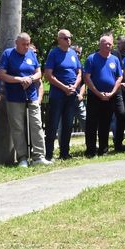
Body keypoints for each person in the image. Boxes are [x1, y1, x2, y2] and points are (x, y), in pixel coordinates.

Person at [0, 32, 51, 166]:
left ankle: (38, 157)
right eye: (24, 44)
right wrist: (19, 79)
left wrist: (31, 79)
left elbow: (39, 73)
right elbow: (1, 74)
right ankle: (22, 158)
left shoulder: (31, 54)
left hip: (31, 95)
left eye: (28, 44)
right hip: (14, 97)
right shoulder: (8, 54)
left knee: (37, 125)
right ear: (17, 43)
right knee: (18, 128)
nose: (26, 47)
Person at [44, 29, 83, 160]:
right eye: (66, 38)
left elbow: (79, 73)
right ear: (59, 39)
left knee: (68, 124)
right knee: (53, 124)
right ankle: (48, 154)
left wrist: (75, 86)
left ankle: (65, 153)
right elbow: (48, 75)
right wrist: (64, 87)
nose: (69, 40)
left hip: (71, 94)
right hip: (58, 95)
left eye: (70, 37)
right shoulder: (54, 53)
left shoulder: (73, 53)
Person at [83, 34, 124, 156]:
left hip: (109, 97)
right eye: (105, 43)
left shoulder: (115, 59)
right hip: (95, 96)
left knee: (105, 124)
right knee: (91, 124)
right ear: (100, 44)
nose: (108, 45)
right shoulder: (91, 58)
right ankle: (90, 150)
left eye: (110, 44)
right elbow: (87, 78)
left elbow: (119, 76)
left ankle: (103, 149)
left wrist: (112, 93)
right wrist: (98, 93)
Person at [112, 35, 125, 152]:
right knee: (117, 116)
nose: (117, 46)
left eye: (120, 43)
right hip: (118, 90)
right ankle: (117, 139)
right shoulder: (114, 55)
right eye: (117, 43)